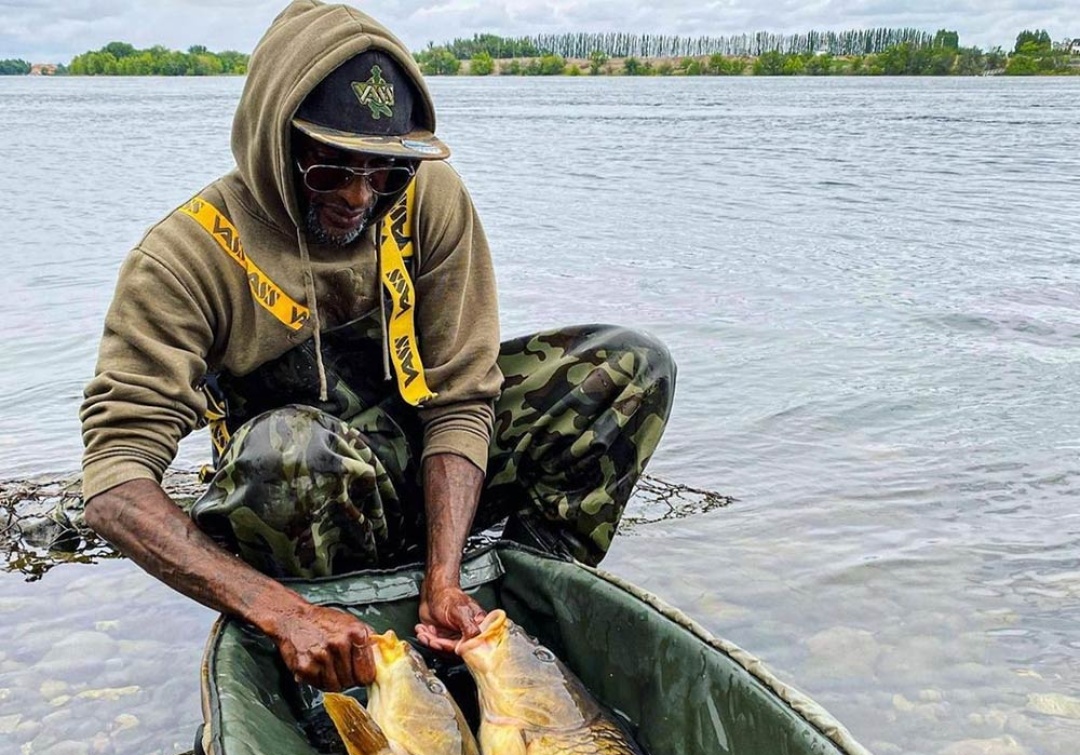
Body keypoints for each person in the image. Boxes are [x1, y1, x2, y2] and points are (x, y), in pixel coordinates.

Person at [80, 0, 674, 691]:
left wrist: (444, 575)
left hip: (418, 469)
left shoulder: (426, 197)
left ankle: (502, 615)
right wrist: (282, 612)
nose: (360, 196)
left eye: (384, 172)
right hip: (307, 512)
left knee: (629, 370)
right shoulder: (184, 259)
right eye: (330, 171)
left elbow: (462, 398)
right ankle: (339, 664)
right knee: (288, 452)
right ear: (278, 140)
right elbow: (114, 486)